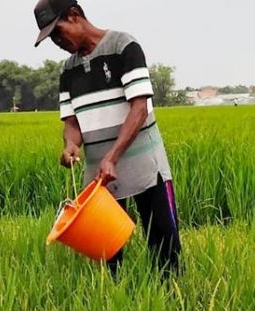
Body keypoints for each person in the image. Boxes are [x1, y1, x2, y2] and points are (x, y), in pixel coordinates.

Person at [33, 0, 181, 277]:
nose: (57, 42)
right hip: (100, 177)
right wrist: (71, 145)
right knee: (108, 252)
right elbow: (72, 121)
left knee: (163, 243)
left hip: (144, 166)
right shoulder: (68, 71)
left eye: (58, 32)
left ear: (74, 16)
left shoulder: (124, 46)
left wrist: (112, 157)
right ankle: (118, 302)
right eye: (51, 38)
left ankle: (172, 300)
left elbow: (139, 108)